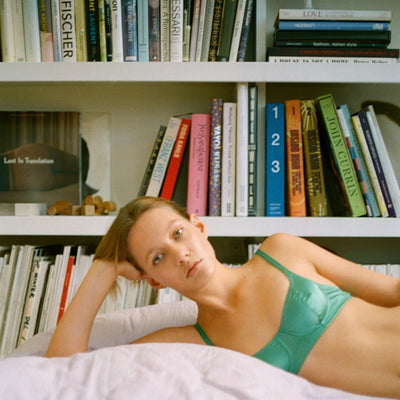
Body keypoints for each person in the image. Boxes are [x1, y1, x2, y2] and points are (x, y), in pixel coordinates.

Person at [46, 196, 400, 399]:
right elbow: (64, 368)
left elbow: (393, 291)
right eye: (158, 258)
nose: (180, 255)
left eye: (179, 234)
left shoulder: (282, 250)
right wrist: (103, 268)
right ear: (153, 281)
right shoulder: (189, 344)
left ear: (199, 227)